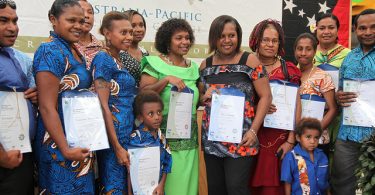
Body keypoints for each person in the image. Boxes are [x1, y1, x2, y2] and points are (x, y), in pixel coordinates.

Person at [200, 15, 272, 195]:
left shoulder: (250, 61)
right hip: (213, 141)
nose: (227, 40)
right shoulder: (205, 65)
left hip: (242, 139)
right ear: (214, 38)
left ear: (238, 36)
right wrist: (203, 97)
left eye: (231, 35)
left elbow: (266, 96)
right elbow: (201, 97)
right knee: (216, 190)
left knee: (236, 189)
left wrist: (254, 130)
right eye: (221, 36)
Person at [33, 0, 95, 193]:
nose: (78, 26)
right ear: (53, 19)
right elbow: (46, 107)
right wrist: (65, 149)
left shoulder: (74, 49)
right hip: (57, 145)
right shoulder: (50, 50)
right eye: (71, 20)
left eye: (81, 20)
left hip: (78, 140)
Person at [140, 18, 199, 195]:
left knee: (188, 187)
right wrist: (165, 80)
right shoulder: (154, 63)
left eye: (187, 38)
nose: (185, 42)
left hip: (190, 142)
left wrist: (207, 95)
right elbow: (142, 95)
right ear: (167, 40)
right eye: (179, 38)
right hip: (164, 141)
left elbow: (196, 99)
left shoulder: (194, 68)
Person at [248, 19, 301, 195]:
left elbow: (296, 107)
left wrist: (291, 140)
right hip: (249, 138)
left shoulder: (290, 70)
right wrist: (257, 107)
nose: (270, 45)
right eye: (265, 40)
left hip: (279, 142)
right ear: (256, 40)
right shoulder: (245, 66)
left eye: (275, 40)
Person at [91, 11, 135, 194]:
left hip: (125, 135)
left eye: (130, 32)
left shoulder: (119, 59)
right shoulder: (103, 59)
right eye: (123, 32)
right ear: (107, 33)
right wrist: (116, 147)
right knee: (113, 188)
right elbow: (103, 105)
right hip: (113, 139)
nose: (129, 37)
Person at [332, 9, 375, 195]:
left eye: (373, 27)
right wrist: (338, 96)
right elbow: (340, 90)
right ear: (355, 30)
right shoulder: (349, 58)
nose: (367, 32)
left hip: (373, 136)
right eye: (362, 28)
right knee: (341, 183)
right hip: (348, 133)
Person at [0, 0, 37, 194]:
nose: (12, 28)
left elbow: (34, 91)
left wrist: (36, 95)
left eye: (15, 21)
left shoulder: (20, 58)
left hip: (21, 153)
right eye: (3, 21)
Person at [314, 13, 351, 159]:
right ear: (316, 30)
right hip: (314, 114)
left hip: (340, 115)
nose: (326, 32)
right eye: (322, 28)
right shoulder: (308, 53)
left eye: (331, 27)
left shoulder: (348, 55)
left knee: (338, 157)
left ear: (337, 30)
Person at [295, 33, 337, 145]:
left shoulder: (323, 76)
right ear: (295, 51)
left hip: (316, 141)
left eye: (308, 49)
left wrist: (312, 133)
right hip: (293, 137)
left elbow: (333, 109)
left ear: (314, 52)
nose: (303, 53)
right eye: (300, 49)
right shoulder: (290, 75)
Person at [128, 90, 172, 195]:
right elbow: (130, 169)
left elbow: (167, 162)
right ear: (140, 117)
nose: (157, 117)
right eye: (150, 114)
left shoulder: (162, 137)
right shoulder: (135, 138)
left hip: (157, 190)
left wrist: (162, 185)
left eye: (159, 112)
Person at [281, 118, 329, 195]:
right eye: (308, 137)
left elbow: (326, 181)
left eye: (316, 137)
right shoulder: (291, 157)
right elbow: (287, 182)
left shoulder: (322, 156)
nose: (312, 141)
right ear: (298, 138)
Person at [120, 10, 149, 88]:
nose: (139, 29)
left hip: (143, 98)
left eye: (141, 25)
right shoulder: (118, 53)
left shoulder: (145, 53)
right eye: (133, 26)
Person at [75, 0, 102, 69]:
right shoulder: (62, 46)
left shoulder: (102, 47)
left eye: (90, 12)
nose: (87, 16)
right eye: (82, 11)